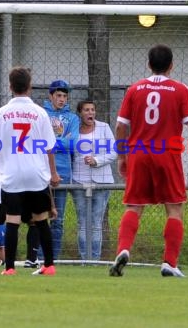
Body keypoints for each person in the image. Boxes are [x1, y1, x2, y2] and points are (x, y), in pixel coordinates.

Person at [109, 44, 188, 278]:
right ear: (171, 65)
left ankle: (123, 249)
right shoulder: (180, 90)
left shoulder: (135, 89)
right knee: (174, 208)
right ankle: (169, 263)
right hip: (167, 153)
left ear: (149, 64)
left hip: (139, 153)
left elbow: (120, 126)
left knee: (134, 205)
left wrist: (122, 156)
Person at [0, 66, 61, 276]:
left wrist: (5, 161)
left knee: (12, 220)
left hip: (12, 174)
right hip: (36, 175)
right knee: (41, 219)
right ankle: (49, 265)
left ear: (10, 86)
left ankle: (10, 268)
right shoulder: (39, 113)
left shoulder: (2, 113)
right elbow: (49, 147)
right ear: (30, 87)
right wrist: (53, 173)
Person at [70, 100, 117, 261]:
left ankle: (94, 260)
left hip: (102, 181)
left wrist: (97, 160)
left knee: (96, 223)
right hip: (79, 180)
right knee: (83, 222)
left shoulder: (104, 127)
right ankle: (85, 259)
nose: (90, 113)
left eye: (92, 110)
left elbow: (114, 152)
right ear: (80, 113)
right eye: (86, 110)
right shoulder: (74, 129)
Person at [42, 79, 79, 260]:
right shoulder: (41, 114)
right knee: (40, 217)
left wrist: (50, 143)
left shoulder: (72, 118)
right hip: (41, 170)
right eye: (58, 95)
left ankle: (53, 258)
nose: (62, 99)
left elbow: (73, 144)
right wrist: (60, 142)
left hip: (62, 172)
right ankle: (38, 257)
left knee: (58, 220)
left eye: (65, 96)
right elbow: (36, 142)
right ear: (51, 96)